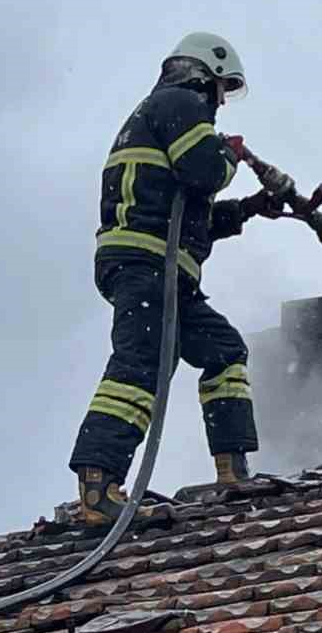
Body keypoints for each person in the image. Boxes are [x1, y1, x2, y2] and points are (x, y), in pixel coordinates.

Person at [69, 33, 291, 527]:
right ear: (205, 75)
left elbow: (187, 217)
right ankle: (97, 488)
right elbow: (205, 170)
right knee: (142, 363)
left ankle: (233, 471)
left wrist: (253, 209)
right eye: (222, 88)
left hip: (164, 270)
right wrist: (229, 156)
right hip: (146, 267)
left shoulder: (161, 115)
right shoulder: (177, 103)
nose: (221, 100)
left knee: (224, 350)